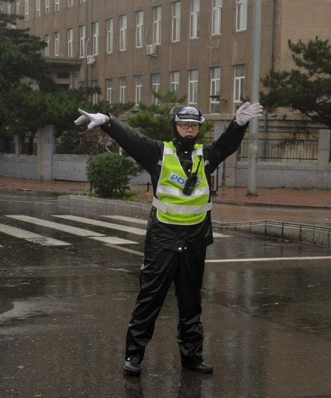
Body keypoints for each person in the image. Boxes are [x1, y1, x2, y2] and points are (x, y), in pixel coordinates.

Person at [74, 102, 263, 376]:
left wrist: (238, 124)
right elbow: (132, 139)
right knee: (149, 300)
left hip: (195, 240)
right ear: (175, 126)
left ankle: (192, 357)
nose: (190, 130)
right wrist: (107, 121)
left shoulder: (206, 155)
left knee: (190, 303)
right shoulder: (159, 153)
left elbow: (227, 146)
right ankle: (134, 356)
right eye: (185, 125)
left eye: (195, 126)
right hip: (163, 239)